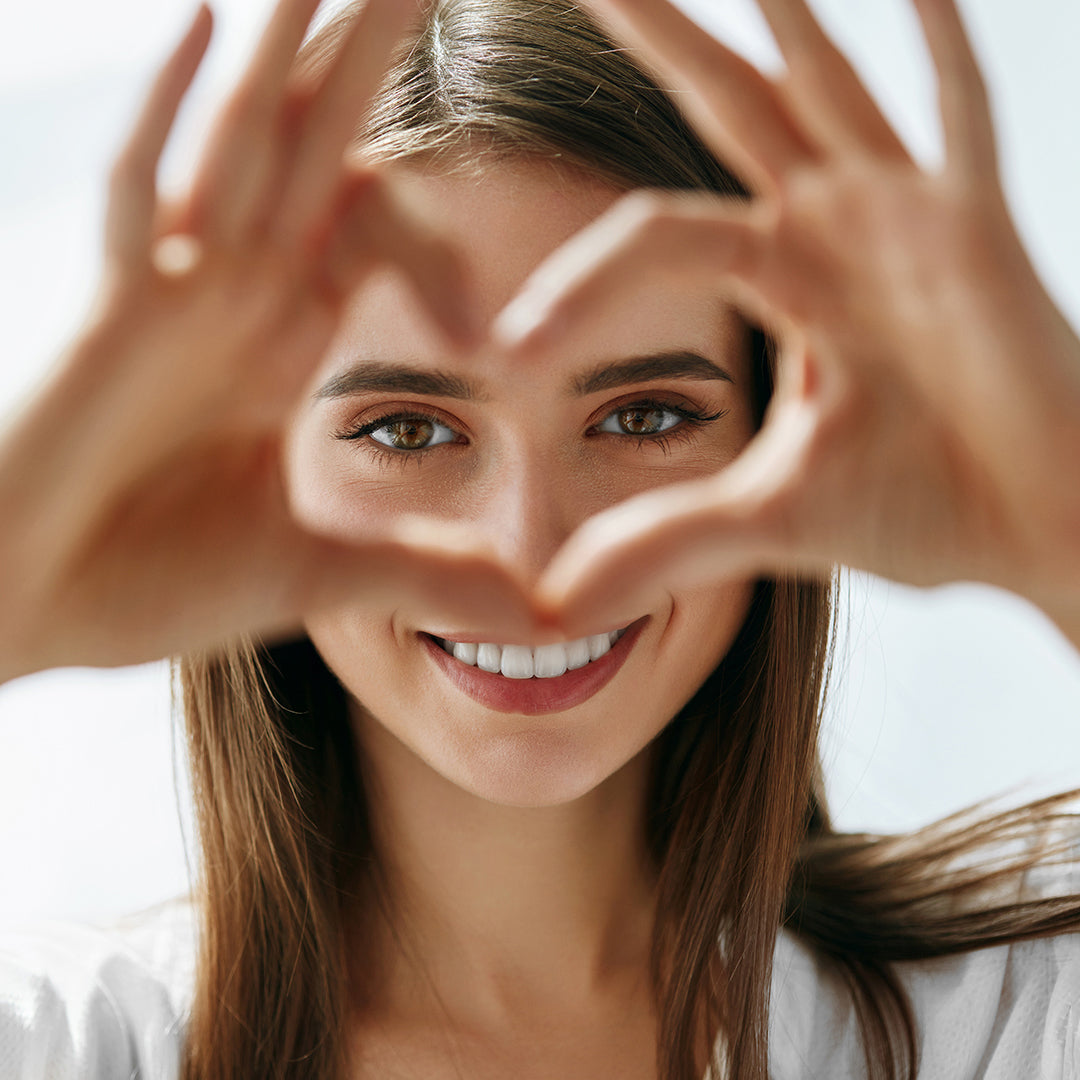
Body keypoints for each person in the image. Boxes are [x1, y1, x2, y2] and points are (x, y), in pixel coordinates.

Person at [1, 0, 1079, 1078]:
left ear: (773, 425)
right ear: (259, 458)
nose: (527, 550)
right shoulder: (64, 1044)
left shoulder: (1016, 1018)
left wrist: (1063, 521)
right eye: (406, 430)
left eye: (644, 416)